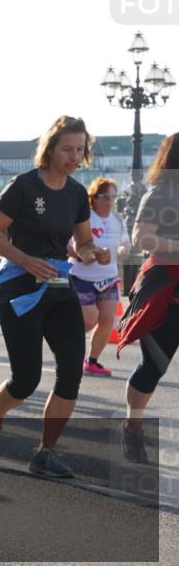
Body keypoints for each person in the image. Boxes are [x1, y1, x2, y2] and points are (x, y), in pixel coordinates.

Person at [0, 116, 108, 480]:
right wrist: (26, 260)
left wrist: (94, 252)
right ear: (50, 150)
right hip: (20, 287)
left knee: (71, 372)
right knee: (25, 379)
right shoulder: (24, 186)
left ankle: (45, 452)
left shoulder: (76, 193)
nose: (75, 156)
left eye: (81, 149)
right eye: (68, 149)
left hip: (60, 288)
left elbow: (82, 242)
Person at [117, 132, 179, 463]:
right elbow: (141, 238)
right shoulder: (160, 193)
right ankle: (133, 427)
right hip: (167, 293)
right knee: (152, 368)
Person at [67, 177, 130, 377]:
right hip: (81, 276)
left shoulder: (118, 219)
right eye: (105, 196)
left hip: (108, 278)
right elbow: (67, 244)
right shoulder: (84, 217)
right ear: (94, 198)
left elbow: (125, 245)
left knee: (107, 321)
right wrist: (81, 255)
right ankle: (66, 348)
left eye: (114, 196)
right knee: (89, 320)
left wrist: (122, 251)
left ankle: (91, 361)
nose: (110, 201)